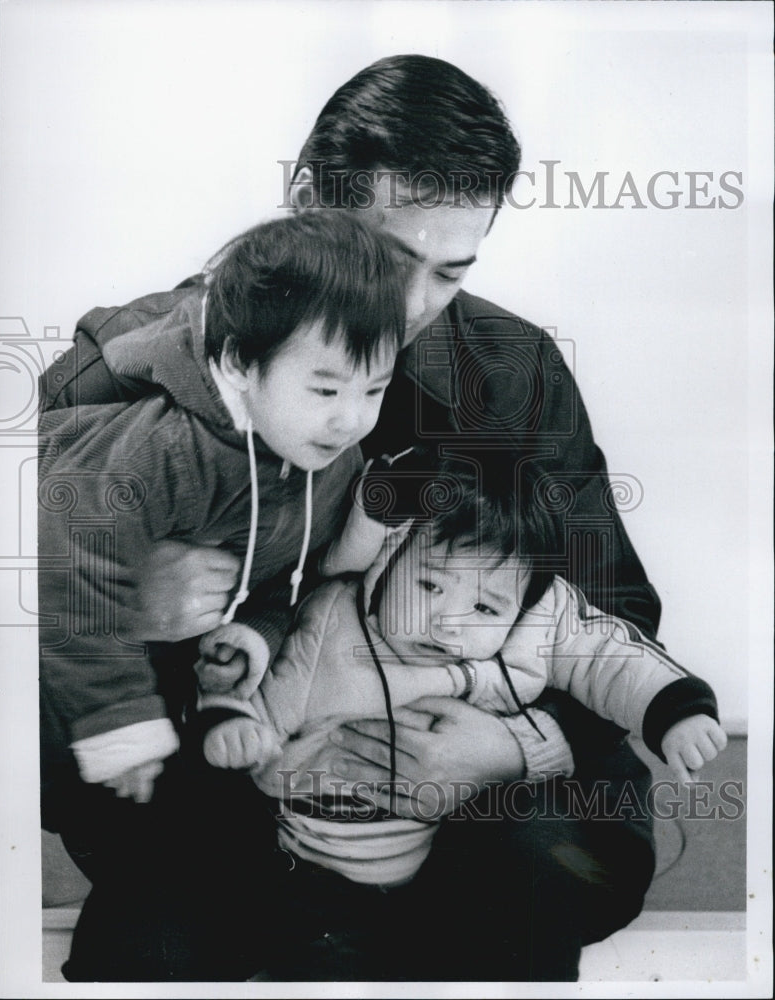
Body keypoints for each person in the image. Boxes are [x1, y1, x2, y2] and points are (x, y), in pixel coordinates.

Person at [40, 55, 671, 981]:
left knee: (544, 870)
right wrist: (123, 606)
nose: (409, 308)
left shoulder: (514, 367)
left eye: (449, 273)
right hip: (240, 786)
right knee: (152, 946)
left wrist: (505, 746)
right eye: (385, 258)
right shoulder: (128, 365)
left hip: (479, 800)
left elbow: (619, 615)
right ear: (303, 198)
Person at [195, 455, 724, 900]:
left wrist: (675, 711)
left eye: (486, 607)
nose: (449, 620)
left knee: (485, 897)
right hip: (311, 849)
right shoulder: (334, 624)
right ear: (386, 560)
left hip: (446, 852)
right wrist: (238, 728)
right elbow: (265, 694)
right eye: (428, 586)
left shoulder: (530, 627)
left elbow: (605, 657)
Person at [38, 211, 404, 822]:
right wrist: (119, 720)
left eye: (374, 390)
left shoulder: (329, 457)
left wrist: (254, 631)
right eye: (326, 390)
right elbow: (64, 557)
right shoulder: (174, 448)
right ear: (238, 364)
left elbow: (296, 567)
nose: (352, 419)